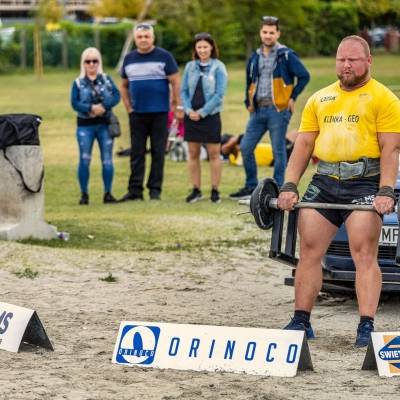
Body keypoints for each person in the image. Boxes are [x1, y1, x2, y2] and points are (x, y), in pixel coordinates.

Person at [278, 35, 400, 347]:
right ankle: (301, 320)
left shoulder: (384, 99)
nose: (346, 65)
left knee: (364, 253)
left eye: (353, 60)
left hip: (364, 181)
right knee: (309, 251)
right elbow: (304, 144)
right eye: (341, 59)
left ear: (368, 61)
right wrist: (290, 185)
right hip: (324, 181)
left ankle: (366, 325)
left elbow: (390, 149)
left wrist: (386, 189)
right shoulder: (320, 99)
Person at [229, 16, 310, 200]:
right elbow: (249, 81)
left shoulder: (286, 55)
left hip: (278, 110)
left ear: (278, 34)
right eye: (265, 32)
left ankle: (278, 189)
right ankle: (251, 186)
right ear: (260, 33)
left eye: (271, 32)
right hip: (258, 110)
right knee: (245, 147)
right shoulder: (255, 57)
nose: (268, 35)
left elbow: (304, 76)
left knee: (278, 150)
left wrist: (293, 96)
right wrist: (248, 102)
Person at [119, 23, 184, 201]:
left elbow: (176, 82)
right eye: (140, 37)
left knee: (158, 152)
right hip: (137, 114)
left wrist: (178, 106)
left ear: (152, 38)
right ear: (135, 39)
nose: (143, 40)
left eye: (146, 36)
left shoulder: (165, 57)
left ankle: (155, 190)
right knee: (137, 153)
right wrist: (128, 107)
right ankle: (135, 191)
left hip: (160, 113)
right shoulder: (129, 59)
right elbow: (123, 86)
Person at [181, 33, 228, 203]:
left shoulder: (219, 67)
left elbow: (219, 95)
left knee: (214, 154)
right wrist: (188, 110)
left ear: (211, 48)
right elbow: (184, 91)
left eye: (205, 47)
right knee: (193, 154)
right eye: (199, 47)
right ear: (195, 49)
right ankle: (196, 190)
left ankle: (215, 190)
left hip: (210, 116)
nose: (202, 50)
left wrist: (202, 112)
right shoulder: (190, 67)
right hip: (191, 116)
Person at [71, 47, 121, 205]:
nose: (91, 64)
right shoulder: (78, 82)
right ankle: (84, 194)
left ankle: (108, 193)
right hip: (85, 126)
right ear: (83, 63)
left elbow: (117, 95)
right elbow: (74, 102)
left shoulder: (106, 79)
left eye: (95, 61)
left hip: (105, 125)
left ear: (99, 62)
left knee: (107, 160)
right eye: (88, 61)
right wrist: (90, 108)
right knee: (85, 159)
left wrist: (104, 106)